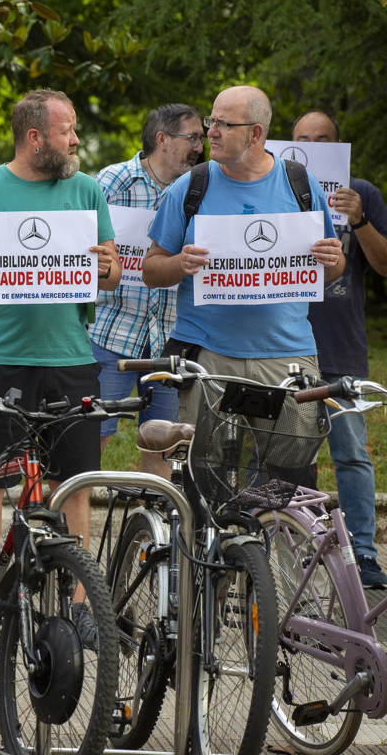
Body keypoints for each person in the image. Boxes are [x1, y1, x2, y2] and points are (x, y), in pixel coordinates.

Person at [0, 89, 119, 607]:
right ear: (35, 138)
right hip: (0, 359)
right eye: (67, 131)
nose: (76, 139)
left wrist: (106, 269)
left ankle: (83, 606)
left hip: (71, 359)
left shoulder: (86, 191)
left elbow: (112, 275)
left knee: (75, 484)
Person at [143, 86, 344, 434]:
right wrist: (180, 264)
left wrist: (332, 260)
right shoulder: (192, 186)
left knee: (285, 474)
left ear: (255, 133)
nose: (210, 132)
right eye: (211, 120)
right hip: (208, 356)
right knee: (205, 472)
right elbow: (150, 270)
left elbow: (332, 271)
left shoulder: (300, 184)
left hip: (287, 354)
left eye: (224, 124)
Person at [292, 109, 387, 588]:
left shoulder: (361, 193)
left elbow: (385, 266)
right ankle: (297, 554)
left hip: (341, 349)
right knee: (288, 457)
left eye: (322, 139)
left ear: (337, 145)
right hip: (285, 349)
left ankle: (364, 556)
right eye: (303, 139)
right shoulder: (274, 188)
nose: (312, 147)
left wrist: (361, 220)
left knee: (351, 455)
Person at [92, 104, 204, 478]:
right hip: (111, 332)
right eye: (193, 138)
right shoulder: (111, 181)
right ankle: (66, 531)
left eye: (202, 138)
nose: (200, 147)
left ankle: (150, 534)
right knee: (92, 440)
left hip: (171, 341)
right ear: (163, 140)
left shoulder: (201, 187)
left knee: (164, 446)